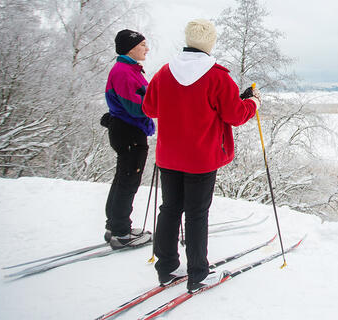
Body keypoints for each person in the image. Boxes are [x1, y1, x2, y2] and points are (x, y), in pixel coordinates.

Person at [142, 18, 261, 292]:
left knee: (170, 210)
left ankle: (167, 267)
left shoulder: (164, 72)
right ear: (210, 43)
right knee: (196, 214)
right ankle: (198, 274)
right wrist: (252, 103)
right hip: (201, 158)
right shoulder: (218, 76)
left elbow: (149, 108)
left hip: (169, 156)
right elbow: (234, 115)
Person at [103, 29, 155, 249]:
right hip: (130, 131)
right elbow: (135, 106)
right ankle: (122, 233)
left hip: (128, 130)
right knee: (128, 180)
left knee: (123, 178)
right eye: (143, 44)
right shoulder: (124, 71)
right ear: (131, 47)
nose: (147, 48)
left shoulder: (129, 69)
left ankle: (115, 225)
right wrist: (159, 102)